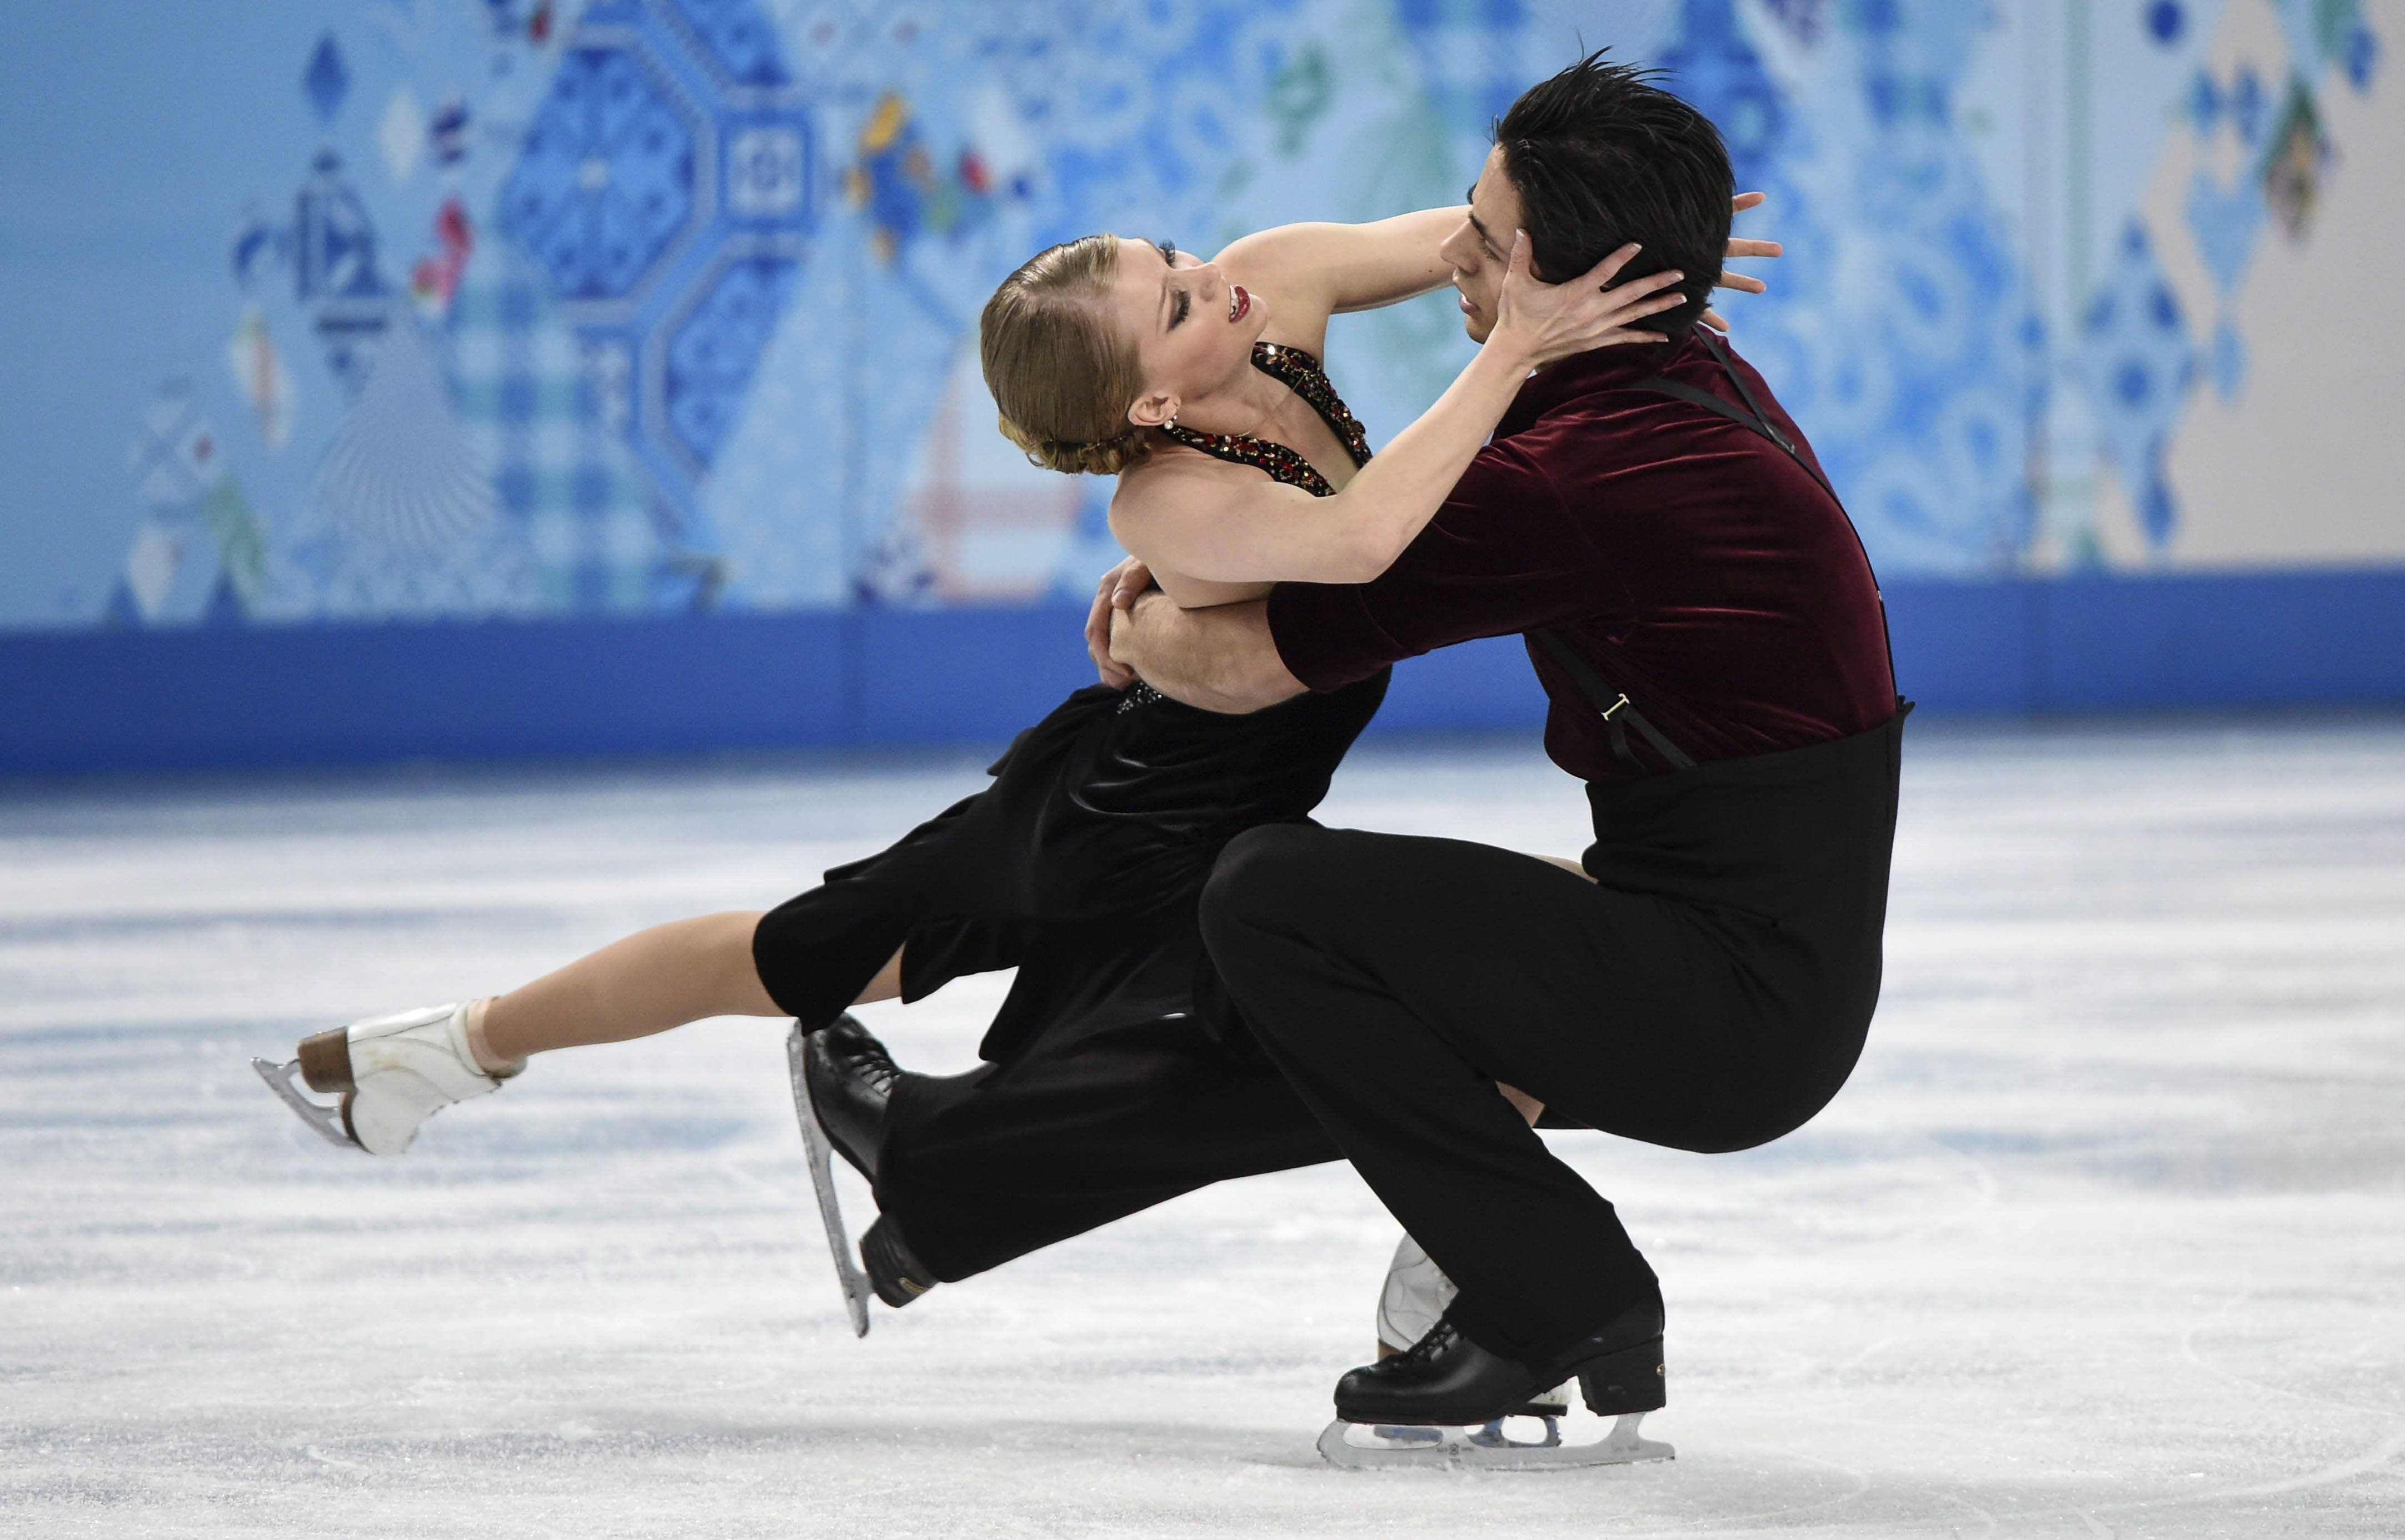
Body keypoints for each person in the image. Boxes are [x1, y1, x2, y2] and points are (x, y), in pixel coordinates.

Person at [257, 172, 1769, 1319]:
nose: (1206, 280)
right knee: (800, 953)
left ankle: (438, 1055)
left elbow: (1480, 241)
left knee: (796, 950)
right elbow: (1370, 539)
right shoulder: (1167, 499)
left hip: (1154, 788)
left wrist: (1635, 247)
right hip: (1130, 841)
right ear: (1153, 402)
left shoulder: (1272, 290)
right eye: (1175, 305)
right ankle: (459, 1050)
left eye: (1169, 259)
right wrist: (1518, 349)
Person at [1103, 53, 1907, 1435]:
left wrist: (1137, 629)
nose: (1455, 259)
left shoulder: (1575, 479)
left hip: (1735, 1003)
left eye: (1481, 239)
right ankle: (984, 1165)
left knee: (1269, 901)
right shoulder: (1664, 367)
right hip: (1751, 947)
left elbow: (1247, 672)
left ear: (1553, 275)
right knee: (1333, 976)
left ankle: (1557, 1292)